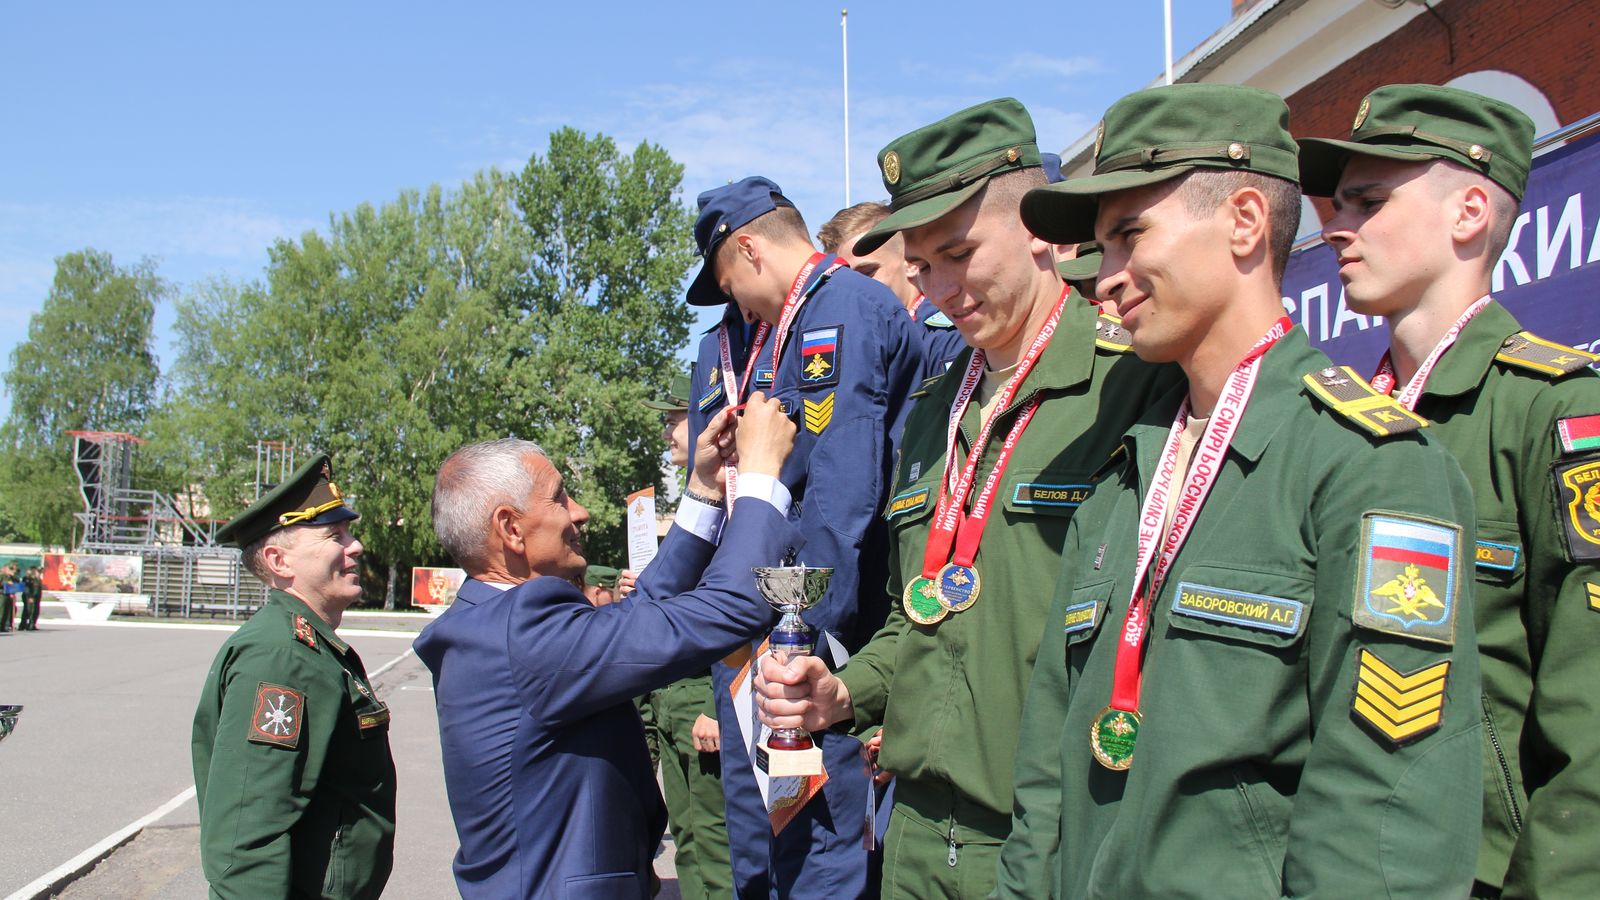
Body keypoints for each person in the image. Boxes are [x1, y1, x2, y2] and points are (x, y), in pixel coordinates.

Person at [991, 83, 1483, 897]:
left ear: (1246, 223)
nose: (1103, 278)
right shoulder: (1125, 470)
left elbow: (1386, 817)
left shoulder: (1371, 465)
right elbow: (1047, 769)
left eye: (1128, 237)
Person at [754, 97, 1180, 897]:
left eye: (960, 253)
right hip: (915, 832)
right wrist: (844, 692)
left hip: (1046, 842)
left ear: (1040, 231)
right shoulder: (932, 412)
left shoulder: (1134, 386)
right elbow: (915, 614)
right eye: (921, 270)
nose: (941, 289)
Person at [1301, 83, 1600, 899]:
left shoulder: (1556, 409)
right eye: (1338, 202)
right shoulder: (1336, 419)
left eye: (1367, 200)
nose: (1335, 225)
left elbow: (1591, 720)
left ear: (1469, 213)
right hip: (1333, 858)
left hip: (1477, 873)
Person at [414, 395, 801, 899]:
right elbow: (730, 608)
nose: (581, 511)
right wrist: (760, 475)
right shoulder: (525, 635)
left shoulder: (487, 621)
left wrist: (705, 489)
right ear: (510, 528)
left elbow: (638, 619)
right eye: (559, 497)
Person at [685, 176, 926, 898]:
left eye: (730, 283)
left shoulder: (844, 308)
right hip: (754, 650)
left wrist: (806, 643)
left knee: (819, 860)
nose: (735, 307)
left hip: (815, 646)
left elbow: (841, 501)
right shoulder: (759, 337)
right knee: (760, 860)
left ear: (750, 249)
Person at [191, 454, 396, 899]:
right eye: (334, 536)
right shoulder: (281, 657)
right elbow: (248, 834)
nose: (355, 546)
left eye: (349, 533)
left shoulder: (307, 645)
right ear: (278, 561)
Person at [635, 368, 735, 900]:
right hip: (671, 692)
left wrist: (719, 704)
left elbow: (733, 609)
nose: (668, 432)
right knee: (689, 838)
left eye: (674, 420)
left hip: (702, 693)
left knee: (716, 846)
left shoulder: (728, 501)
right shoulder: (699, 502)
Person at [818, 202, 966, 377]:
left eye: (866, 273)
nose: (855, 288)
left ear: (910, 263)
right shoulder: (855, 340)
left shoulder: (945, 336)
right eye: (845, 279)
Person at [19, 565, 42, 631]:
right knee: (30, 611)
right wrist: (30, 597)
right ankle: (27, 625)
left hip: (36, 597)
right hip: (30, 597)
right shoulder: (28, 578)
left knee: (34, 611)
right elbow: (27, 589)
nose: (38, 573)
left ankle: (32, 624)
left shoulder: (36, 579)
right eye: (37, 571)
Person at [0, 564, 19, 633]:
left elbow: (17, 581)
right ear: (4, 569)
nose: (10, 570)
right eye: (9, 569)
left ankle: (4, 626)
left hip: (9, 596)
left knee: (7, 612)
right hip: (2, 595)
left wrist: (12, 575)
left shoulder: (10, 577)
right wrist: (6, 583)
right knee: (2, 611)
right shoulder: (1, 576)